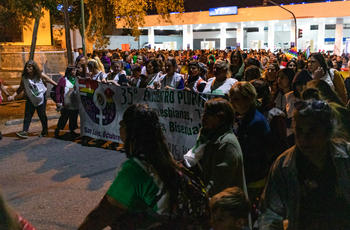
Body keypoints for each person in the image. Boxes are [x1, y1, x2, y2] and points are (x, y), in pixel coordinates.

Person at [79, 104, 209, 229]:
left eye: (121, 124)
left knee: (120, 218)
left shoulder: (135, 169)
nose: (119, 129)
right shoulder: (165, 159)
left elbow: (100, 216)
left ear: (130, 130)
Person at [259, 99, 350, 230]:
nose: (304, 138)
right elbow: (270, 213)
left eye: (312, 131)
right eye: (299, 130)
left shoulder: (346, 157)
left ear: (327, 131)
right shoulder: (284, 165)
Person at [184, 98, 247, 197]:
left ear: (220, 118)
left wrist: (202, 198)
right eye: (203, 113)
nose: (203, 117)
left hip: (228, 207)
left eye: (208, 115)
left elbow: (218, 184)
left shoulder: (227, 143)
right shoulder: (208, 138)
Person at [229, 82, 271, 218]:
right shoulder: (243, 118)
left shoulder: (255, 123)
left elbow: (252, 157)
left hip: (253, 181)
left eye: (236, 99)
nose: (232, 103)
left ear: (248, 99)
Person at [8, 60, 57, 138]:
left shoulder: (40, 75)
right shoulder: (24, 78)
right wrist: (13, 96)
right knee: (27, 115)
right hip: (30, 98)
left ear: (34, 68)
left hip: (41, 98)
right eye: (27, 66)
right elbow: (21, 87)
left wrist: (58, 86)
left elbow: (49, 80)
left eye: (30, 66)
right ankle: (24, 131)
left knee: (42, 115)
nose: (27, 68)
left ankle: (45, 131)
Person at [54, 66, 79, 139]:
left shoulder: (77, 79)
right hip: (66, 102)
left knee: (73, 117)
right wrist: (58, 101)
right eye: (73, 70)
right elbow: (58, 91)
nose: (74, 72)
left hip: (75, 102)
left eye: (75, 70)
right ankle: (58, 130)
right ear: (69, 71)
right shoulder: (63, 80)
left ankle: (72, 131)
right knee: (64, 117)